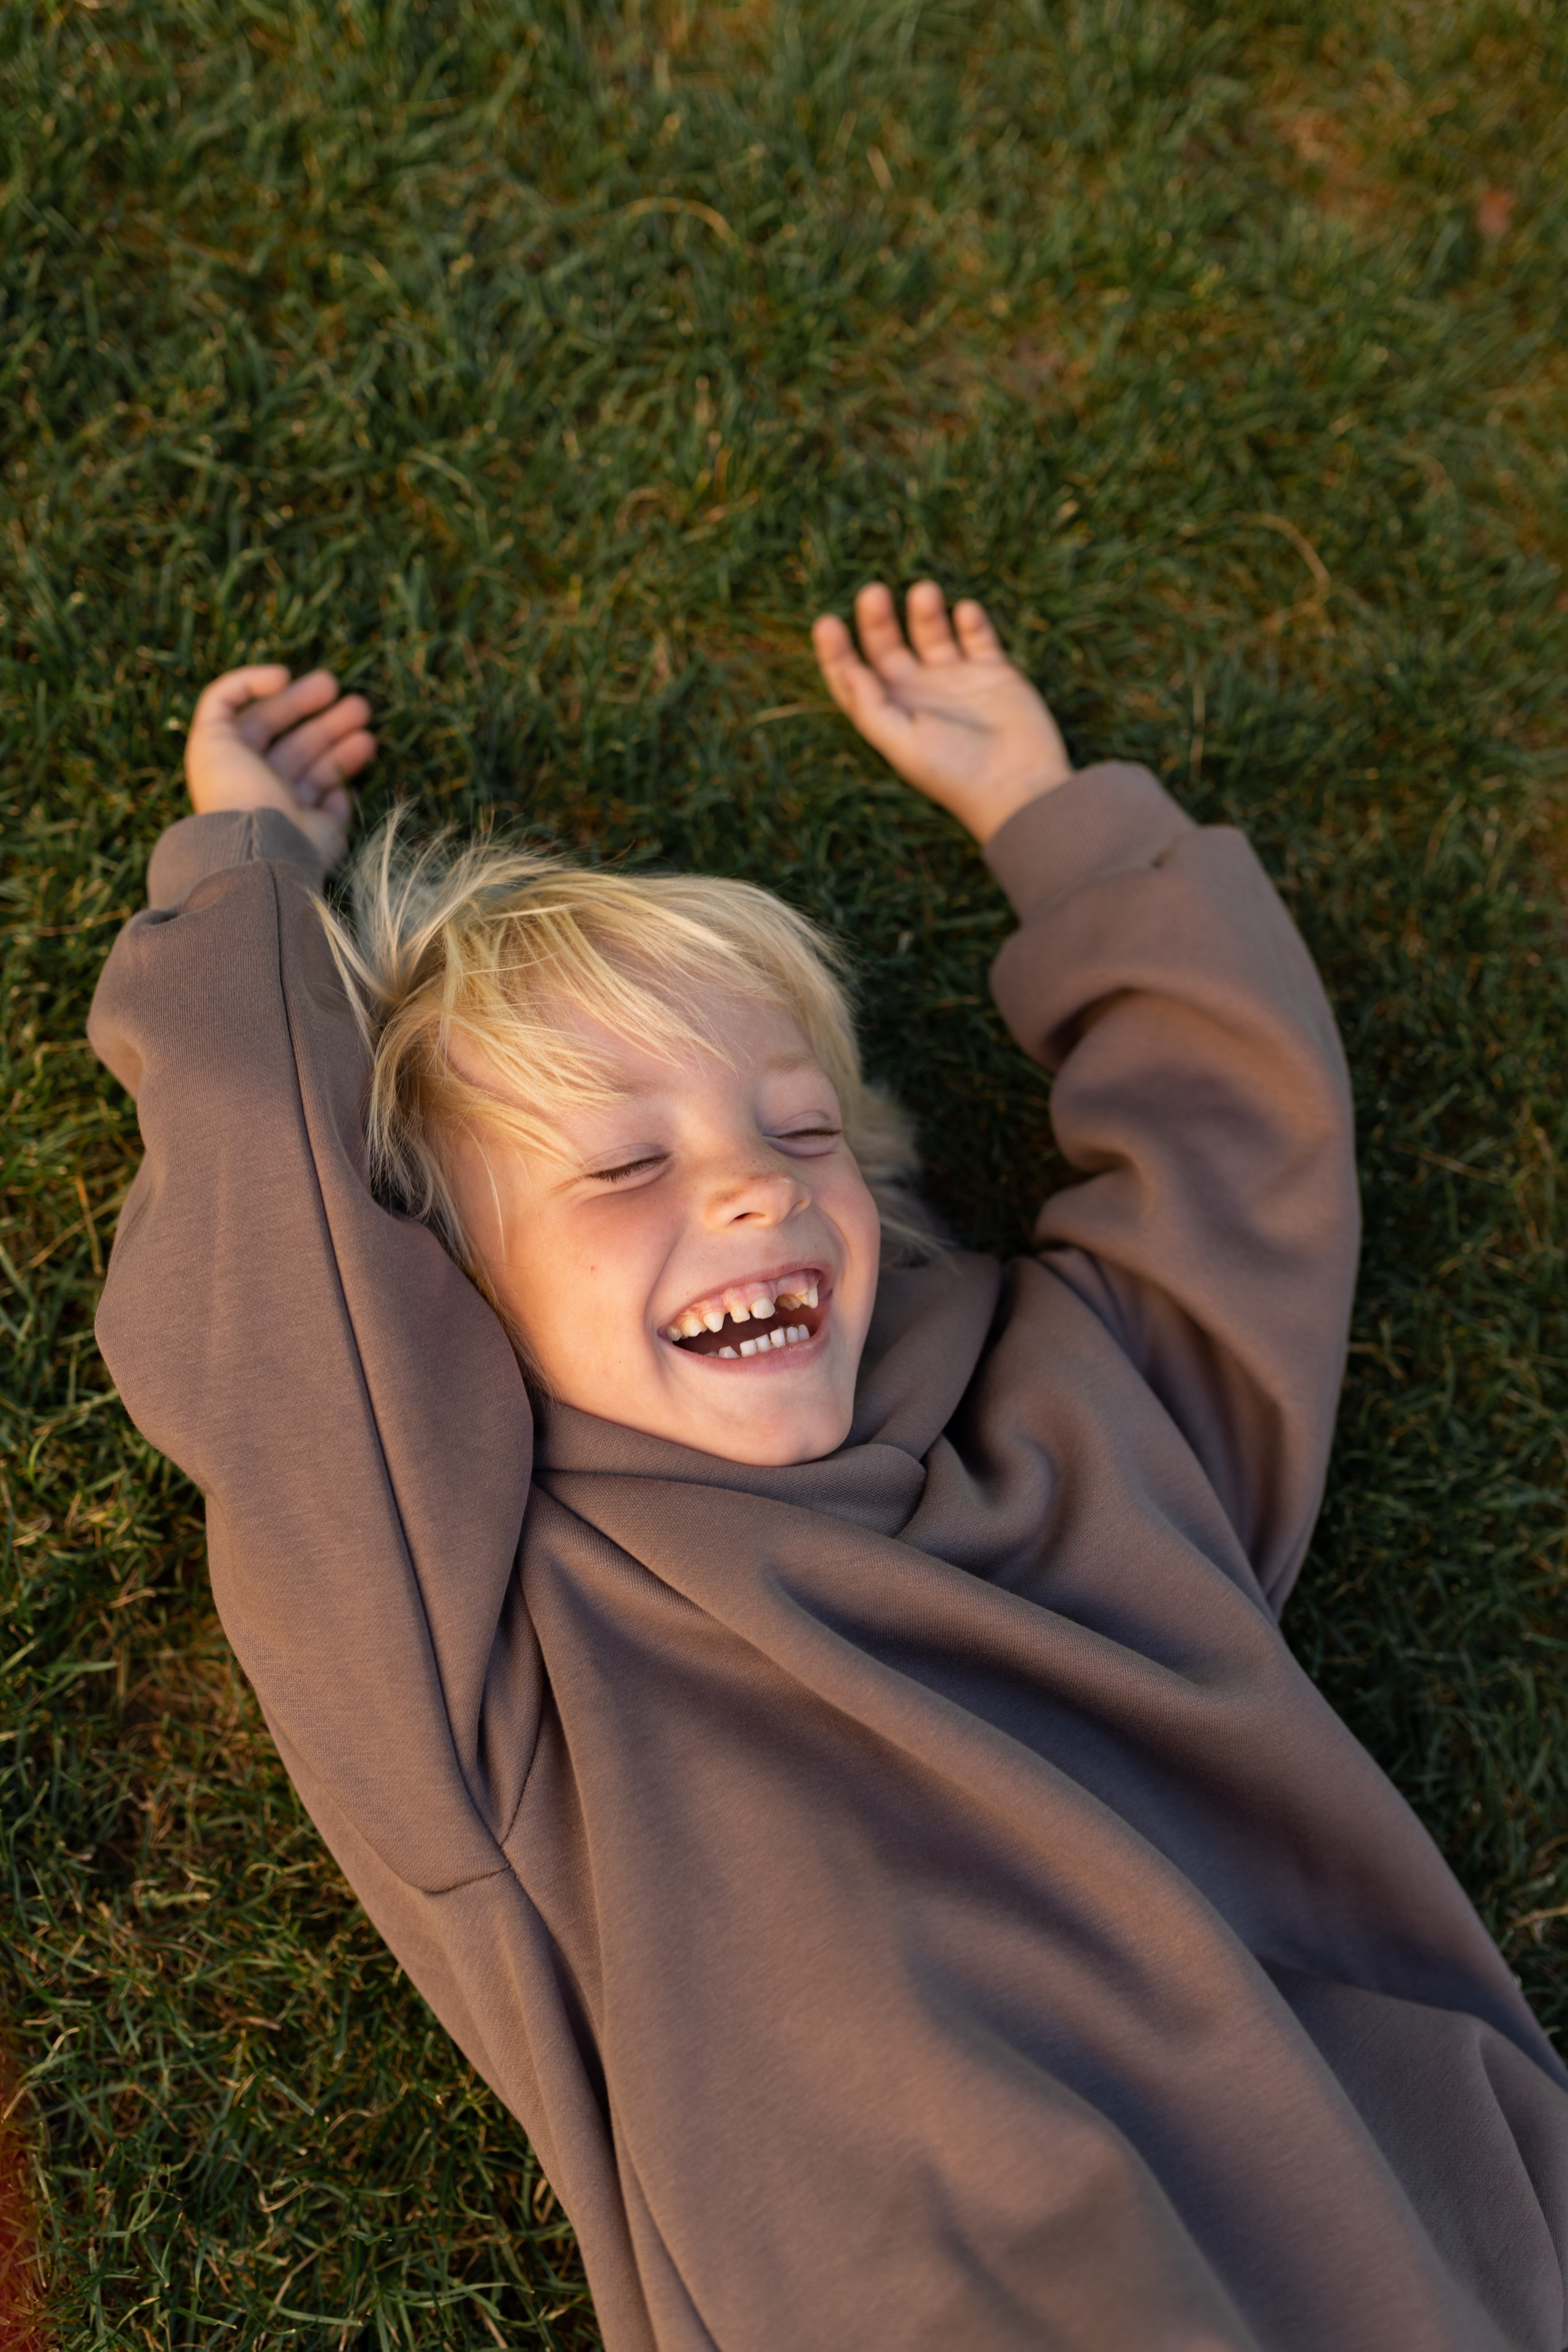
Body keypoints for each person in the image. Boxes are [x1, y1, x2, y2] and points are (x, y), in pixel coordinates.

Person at [89, 582, 1568, 2351]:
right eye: (622, 1170)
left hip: (1436, 2249)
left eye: (798, 1130)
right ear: (446, 1300)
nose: (752, 1187)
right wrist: (242, 879)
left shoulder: (1070, 1420)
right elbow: (275, 1254)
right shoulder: (487, 1618)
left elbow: (1241, 1158)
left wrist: (1053, 811)